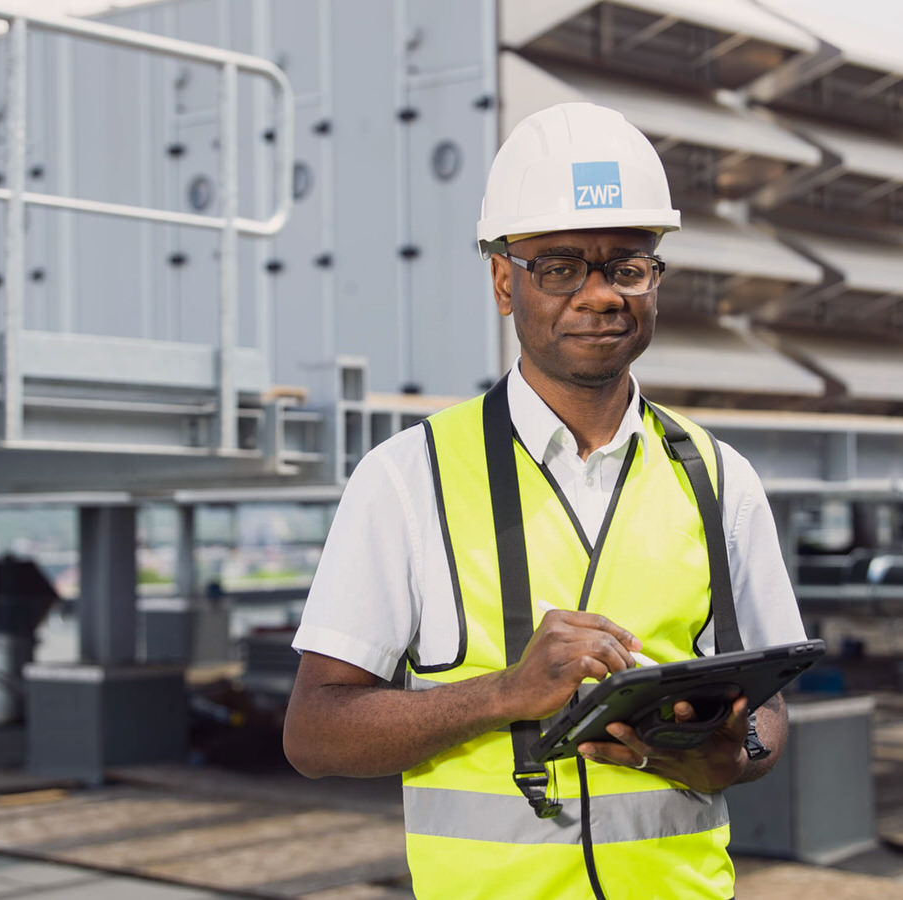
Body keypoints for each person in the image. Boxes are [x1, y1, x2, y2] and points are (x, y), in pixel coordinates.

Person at [284, 102, 806, 900]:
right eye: (559, 267)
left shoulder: (719, 478)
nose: (599, 295)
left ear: (653, 280)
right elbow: (315, 733)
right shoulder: (406, 478)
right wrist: (504, 693)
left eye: (626, 266)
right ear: (504, 280)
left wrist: (736, 754)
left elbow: (771, 714)